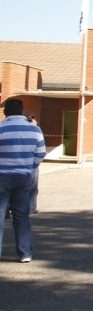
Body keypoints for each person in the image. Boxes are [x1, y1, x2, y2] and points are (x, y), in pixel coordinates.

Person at [0, 99, 45, 263]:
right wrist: (30, 167)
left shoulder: (1, 128)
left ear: (5, 112)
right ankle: (25, 253)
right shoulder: (35, 130)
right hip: (23, 177)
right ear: (21, 110)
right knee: (21, 216)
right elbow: (40, 153)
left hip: (2, 176)